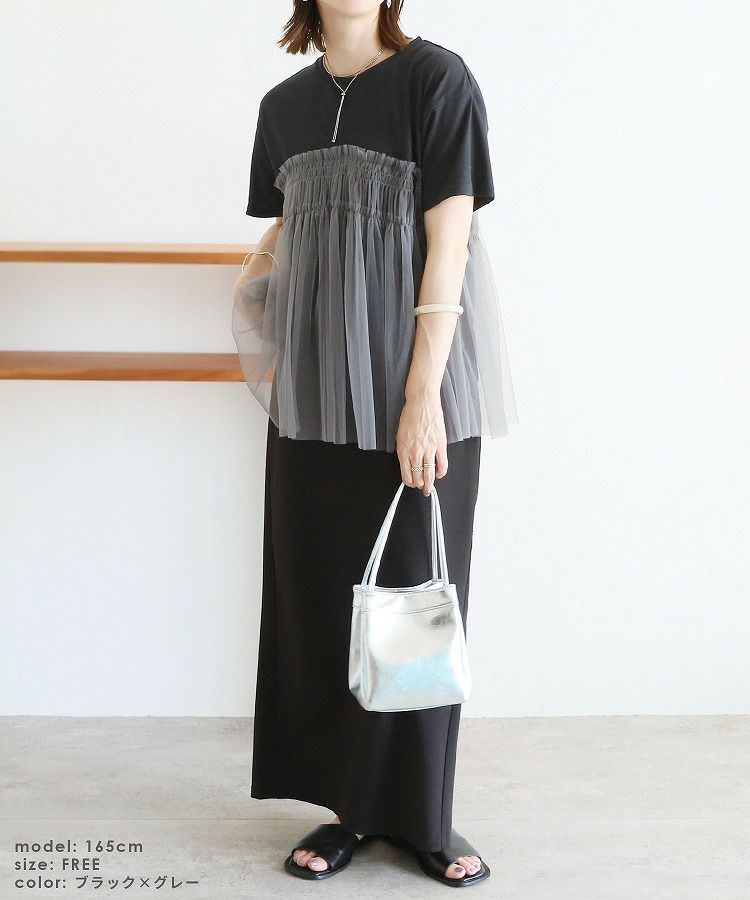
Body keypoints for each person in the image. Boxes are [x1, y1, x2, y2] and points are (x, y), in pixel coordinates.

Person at [231, 0, 518, 887]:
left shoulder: (438, 80)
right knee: (323, 596)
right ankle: (347, 809)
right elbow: (287, 228)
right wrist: (255, 289)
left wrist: (421, 396)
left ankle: (424, 819)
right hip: (317, 388)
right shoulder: (283, 106)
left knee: (415, 604)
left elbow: (450, 241)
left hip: (413, 384)